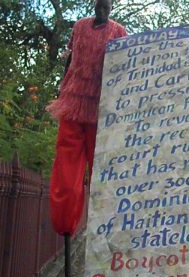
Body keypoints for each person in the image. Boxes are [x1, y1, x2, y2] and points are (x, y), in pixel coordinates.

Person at [46, 0, 127, 236]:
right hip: (72, 103)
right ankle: (64, 223)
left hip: (100, 108)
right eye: (99, 5)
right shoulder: (79, 26)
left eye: (106, 6)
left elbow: (123, 68)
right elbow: (70, 59)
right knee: (66, 167)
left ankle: (105, 229)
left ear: (111, 7)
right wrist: (62, 88)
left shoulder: (119, 31)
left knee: (101, 171)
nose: (102, 9)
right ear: (94, 5)